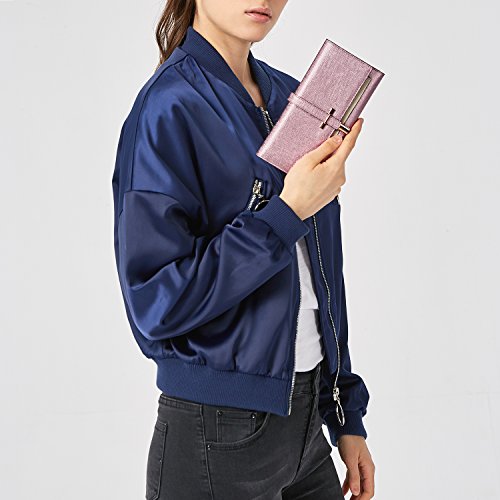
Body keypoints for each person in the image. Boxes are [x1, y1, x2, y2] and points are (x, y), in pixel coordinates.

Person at [111, 1, 375, 498]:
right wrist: (285, 213)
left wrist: (343, 411)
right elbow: (156, 303)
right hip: (217, 431)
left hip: (307, 425)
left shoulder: (293, 98)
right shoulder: (168, 108)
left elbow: (321, 269)